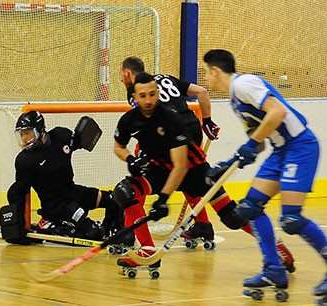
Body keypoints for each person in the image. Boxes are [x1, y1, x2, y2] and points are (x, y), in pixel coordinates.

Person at [112, 72, 295, 274]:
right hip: (159, 168)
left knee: (232, 218)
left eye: (152, 94)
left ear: (158, 94)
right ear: (134, 98)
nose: (148, 100)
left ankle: (277, 247)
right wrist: (131, 159)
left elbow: (179, 166)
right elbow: (119, 147)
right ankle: (147, 250)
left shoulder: (170, 119)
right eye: (143, 96)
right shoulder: (128, 120)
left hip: (192, 170)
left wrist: (163, 199)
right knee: (126, 191)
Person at [203, 49, 326, 300]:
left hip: (300, 147)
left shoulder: (244, 84)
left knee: (291, 220)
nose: (206, 79)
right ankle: (274, 269)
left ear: (215, 71)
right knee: (250, 208)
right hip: (281, 151)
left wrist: (249, 146)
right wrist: (229, 163)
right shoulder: (236, 102)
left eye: (206, 73)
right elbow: (257, 142)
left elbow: (277, 112)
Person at [119, 56, 221, 241]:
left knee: (137, 179)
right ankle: (203, 225)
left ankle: (129, 232)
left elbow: (148, 123)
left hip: (169, 134)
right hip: (193, 130)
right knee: (189, 177)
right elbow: (202, 91)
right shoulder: (165, 78)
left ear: (127, 74)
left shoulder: (135, 92)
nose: (120, 79)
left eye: (121, 75)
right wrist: (207, 121)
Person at [2, 111, 122, 244]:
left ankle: (112, 231)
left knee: (115, 199)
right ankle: (52, 225)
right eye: (22, 134)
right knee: (93, 232)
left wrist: (83, 136)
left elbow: (76, 142)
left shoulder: (60, 135)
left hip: (72, 192)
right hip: (55, 206)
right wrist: (18, 225)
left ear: (40, 130)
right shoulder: (25, 160)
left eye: (27, 133)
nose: (24, 138)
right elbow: (18, 191)